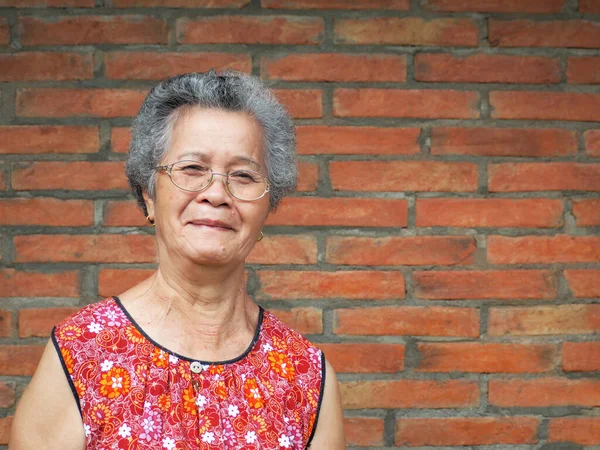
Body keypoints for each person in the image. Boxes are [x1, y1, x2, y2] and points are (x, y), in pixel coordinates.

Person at [10, 71, 345, 450]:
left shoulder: (307, 378)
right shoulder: (80, 353)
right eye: (192, 169)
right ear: (149, 195)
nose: (216, 193)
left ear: (268, 205)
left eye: (243, 175)